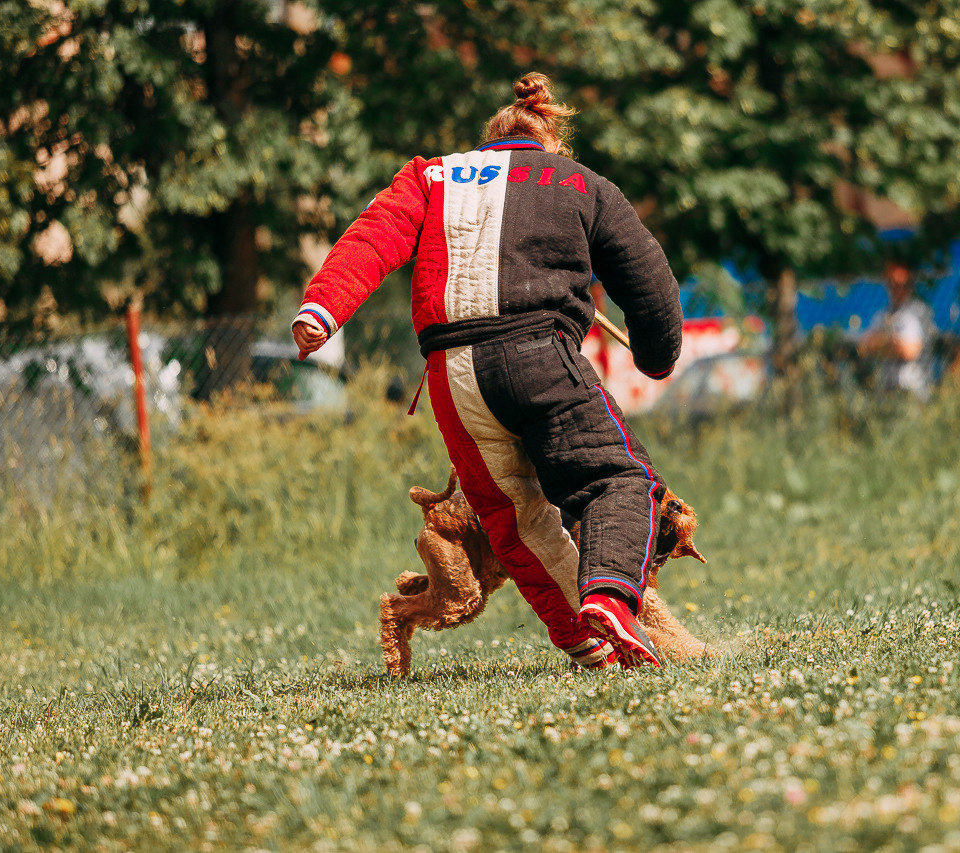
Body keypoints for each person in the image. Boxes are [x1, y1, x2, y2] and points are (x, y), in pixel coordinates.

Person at [291, 73, 683, 668]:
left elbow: (372, 238)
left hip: (454, 378)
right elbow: (649, 278)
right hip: (541, 358)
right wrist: (656, 356)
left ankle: (592, 646)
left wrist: (322, 309)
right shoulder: (579, 182)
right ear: (550, 142)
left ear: (489, 141)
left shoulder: (432, 176)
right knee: (618, 481)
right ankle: (609, 595)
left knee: (516, 522)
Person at [857, 261, 935, 401]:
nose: (897, 289)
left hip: (914, 391)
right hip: (888, 390)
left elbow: (910, 351)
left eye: (902, 284)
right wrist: (891, 344)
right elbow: (865, 346)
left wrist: (881, 344)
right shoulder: (883, 315)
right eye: (892, 283)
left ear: (909, 285)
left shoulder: (919, 312)